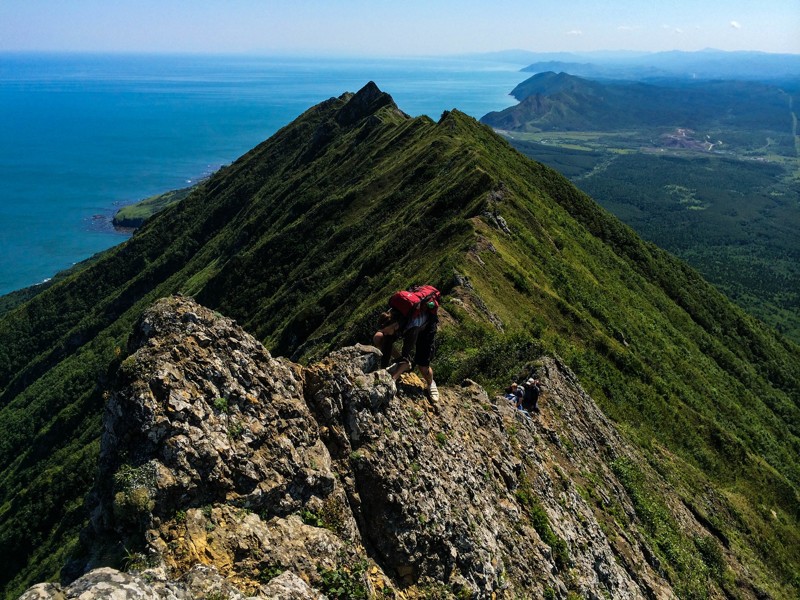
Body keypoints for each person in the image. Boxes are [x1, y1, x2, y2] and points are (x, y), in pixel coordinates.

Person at [373, 289, 440, 401]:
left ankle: (430, 383)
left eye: (386, 330)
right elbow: (386, 341)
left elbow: (407, 355)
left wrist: (393, 379)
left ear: (394, 327)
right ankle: (397, 362)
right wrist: (383, 369)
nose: (384, 333)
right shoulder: (390, 316)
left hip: (426, 327)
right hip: (407, 326)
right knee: (379, 338)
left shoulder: (412, 326)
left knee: (422, 365)